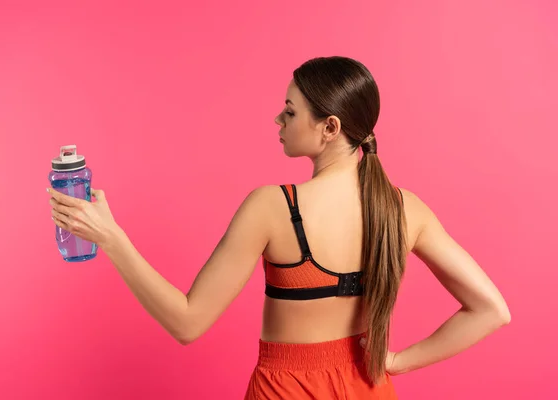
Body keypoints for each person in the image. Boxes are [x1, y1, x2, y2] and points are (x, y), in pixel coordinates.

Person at [48, 56, 511, 399]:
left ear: (330, 127)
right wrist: (393, 363)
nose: (278, 120)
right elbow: (492, 309)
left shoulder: (273, 206)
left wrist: (111, 238)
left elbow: (187, 322)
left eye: (290, 111)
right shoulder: (405, 210)